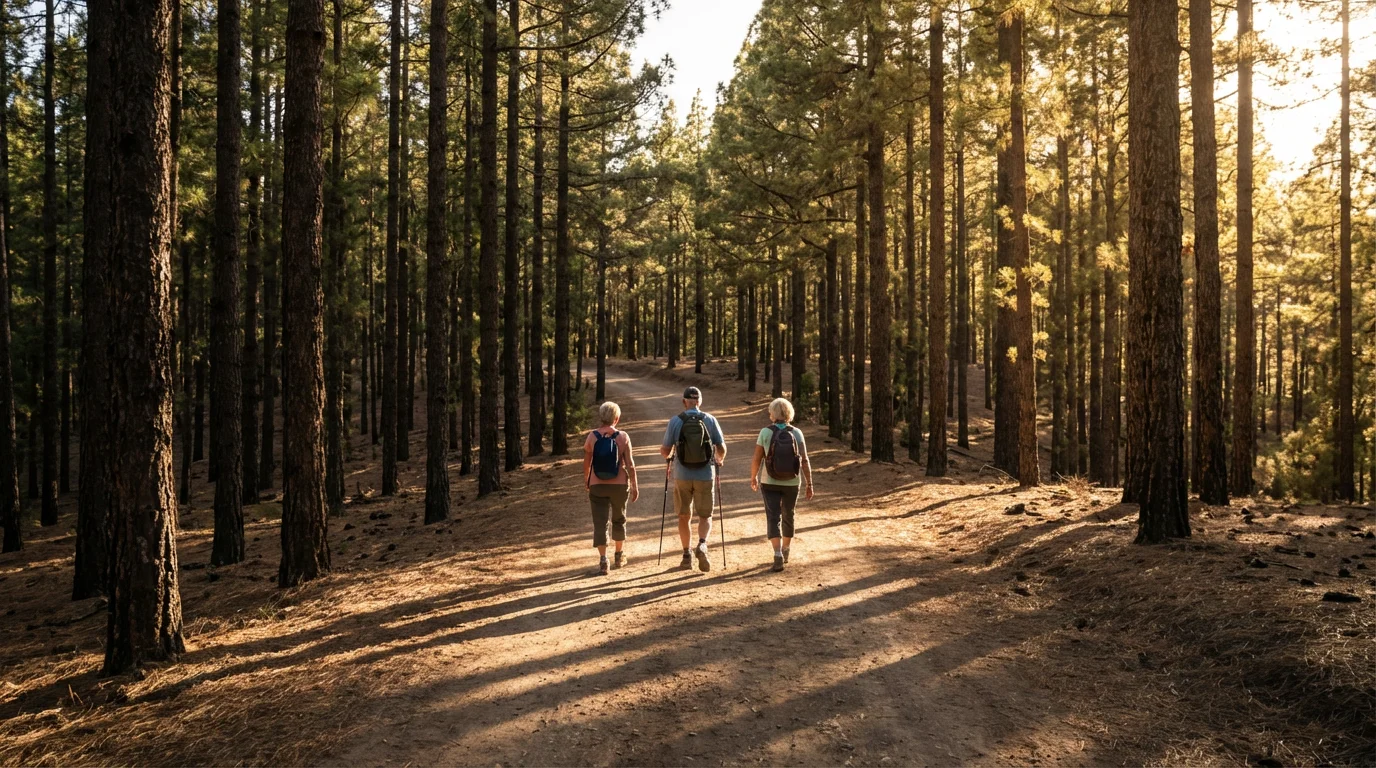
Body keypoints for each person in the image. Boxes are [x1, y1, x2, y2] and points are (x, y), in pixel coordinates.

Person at [660, 386, 727, 572]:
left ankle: (686, 555)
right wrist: (719, 460)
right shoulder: (710, 420)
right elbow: (721, 447)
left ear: (684, 402)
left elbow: (665, 450)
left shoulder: (676, 421)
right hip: (705, 475)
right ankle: (703, 544)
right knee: (705, 515)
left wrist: (670, 455)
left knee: (684, 516)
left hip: (682, 476)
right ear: (700, 402)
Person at [749, 397, 813, 572]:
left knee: (773, 516)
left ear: (773, 414)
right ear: (789, 413)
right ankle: (786, 549)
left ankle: (776, 553)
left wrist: (753, 476)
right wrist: (809, 483)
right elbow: (805, 460)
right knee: (789, 514)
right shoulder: (797, 433)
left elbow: (757, 458)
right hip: (792, 482)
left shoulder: (765, 432)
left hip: (769, 481)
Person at [583, 401, 639, 575]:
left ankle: (602, 560)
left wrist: (587, 480)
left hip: (597, 485)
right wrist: (635, 485)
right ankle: (618, 555)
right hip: (619, 485)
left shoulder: (592, 437)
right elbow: (630, 465)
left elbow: (587, 463)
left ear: (601, 417)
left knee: (600, 522)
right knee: (619, 519)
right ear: (617, 418)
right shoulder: (623, 437)